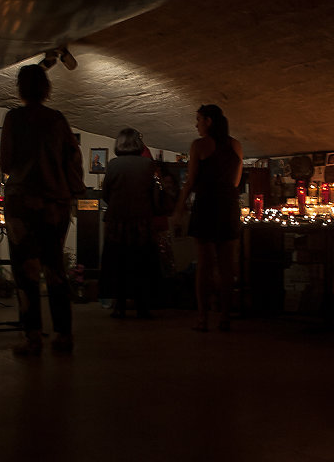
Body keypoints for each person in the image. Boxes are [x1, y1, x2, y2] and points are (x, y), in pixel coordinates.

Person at [0, 64, 85, 356]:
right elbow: (73, 159)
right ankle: (64, 334)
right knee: (55, 268)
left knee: (26, 271)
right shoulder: (57, 119)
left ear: (21, 89)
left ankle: (32, 336)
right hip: (55, 203)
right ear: (46, 88)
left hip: (22, 202)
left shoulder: (14, 118)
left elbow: (6, 162)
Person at [173, 104, 243, 331]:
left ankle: (203, 318)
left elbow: (190, 181)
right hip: (229, 206)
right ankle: (225, 317)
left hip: (206, 206)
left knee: (204, 265)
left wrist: (179, 208)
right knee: (226, 266)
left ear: (208, 121)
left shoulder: (199, 145)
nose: (196, 124)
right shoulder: (236, 145)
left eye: (198, 119)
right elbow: (235, 181)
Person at [100, 127, 158, 319]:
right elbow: (153, 194)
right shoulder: (148, 165)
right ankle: (143, 306)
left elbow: (106, 194)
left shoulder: (113, 165)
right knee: (142, 262)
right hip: (142, 220)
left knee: (119, 263)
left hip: (117, 220)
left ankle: (120, 305)